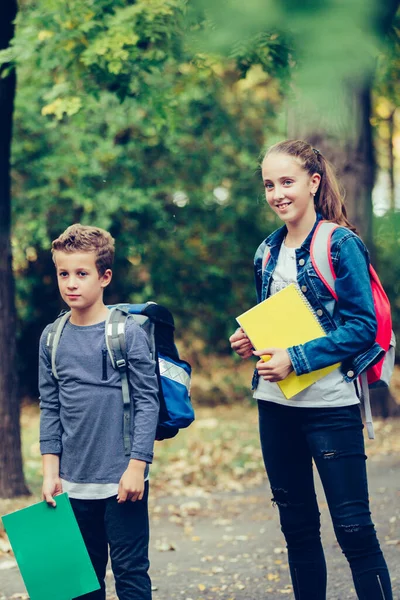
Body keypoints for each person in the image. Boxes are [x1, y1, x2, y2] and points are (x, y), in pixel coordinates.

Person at [229, 139, 393, 600]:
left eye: (287, 182)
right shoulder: (265, 251)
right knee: (297, 530)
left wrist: (296, 358)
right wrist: (251, 341)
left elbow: (363, 326)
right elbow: (278, 323)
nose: (277, 193)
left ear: (313, 183)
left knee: (355, 530)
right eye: (268, 185)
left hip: (331, 407)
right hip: (275, 406)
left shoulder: (340, 244)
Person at [39, 224, 160, 600]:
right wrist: (49, 473)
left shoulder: (127, 333)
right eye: (63, 273)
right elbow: (50, 406)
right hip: (72, 485)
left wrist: (137, 467)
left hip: (121, 482)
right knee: (79, 584)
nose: (71, 283)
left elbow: (147, 401)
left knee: (131, 576)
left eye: (81, 273)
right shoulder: (51, 337)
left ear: (104, 276)